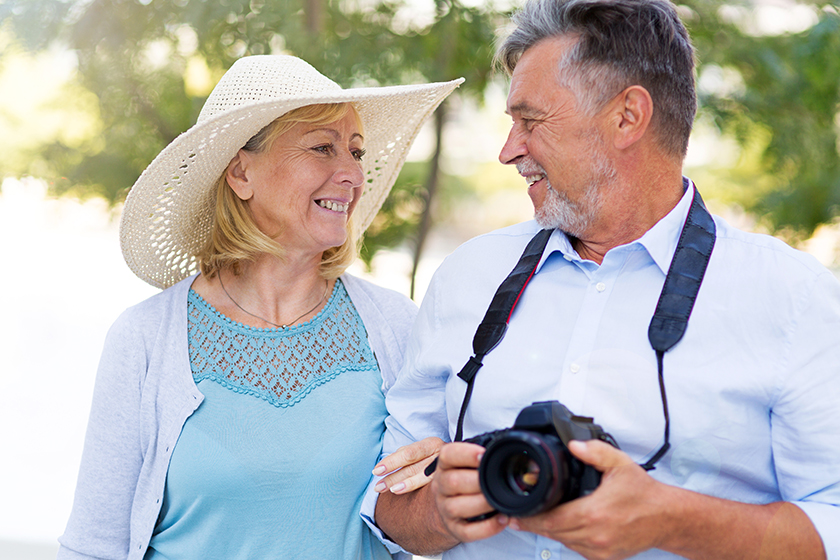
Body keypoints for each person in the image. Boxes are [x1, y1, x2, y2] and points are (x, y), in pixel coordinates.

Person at [366, 1, 840, 559]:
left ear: (627, 117)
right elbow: (384, 505)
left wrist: (669, 520)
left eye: (531, 120)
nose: (507, 150)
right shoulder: (467, 277)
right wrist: (438, 511)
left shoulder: (797, 298)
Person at [57, 54, 461, 560]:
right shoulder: (144, 338)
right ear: (241, 173)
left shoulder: (395, 326)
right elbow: (95, 546)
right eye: (322, 148)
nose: (351, 175)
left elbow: (422, 526)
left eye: (356, 153)